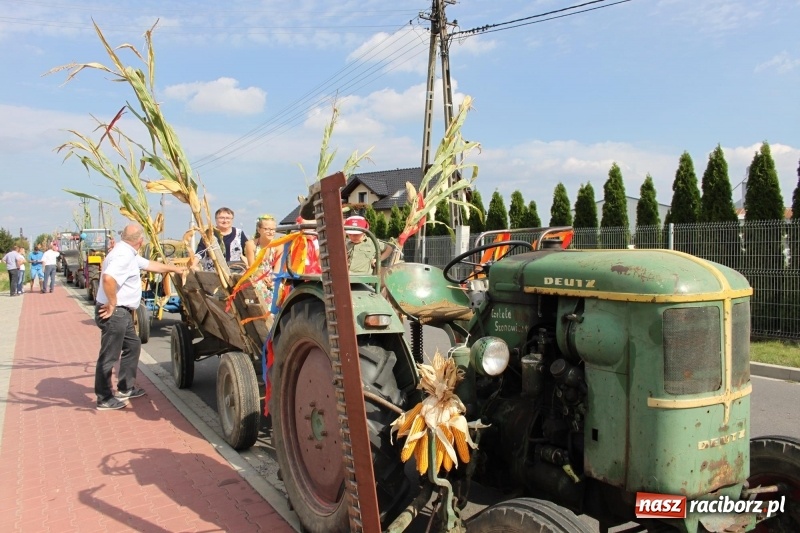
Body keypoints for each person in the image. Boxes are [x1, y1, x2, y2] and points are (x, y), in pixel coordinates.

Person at [94, 223, 188, 411]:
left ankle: (126, 387)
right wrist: (112, 303)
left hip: (122, 313)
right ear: (140, 241)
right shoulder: (123, 256)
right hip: (115, 312)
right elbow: (108, 279)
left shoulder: (128, 252)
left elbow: (149, 265)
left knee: (133, 345)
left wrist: (174, 269)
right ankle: (104, 397)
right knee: (109, 355)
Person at [191, 207, 249, 272]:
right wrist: (193, 265)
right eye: (221, 218)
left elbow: (248, 251)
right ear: (216, 219)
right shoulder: (209, 234)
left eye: (228, 218)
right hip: (214, 272)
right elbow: (200, 251)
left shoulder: (239, 233)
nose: (225, 221)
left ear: (232, 219)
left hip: (235, 271)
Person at [244, 214, 281, 307]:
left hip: (272, 276)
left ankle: (276, 314)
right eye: (267, 229)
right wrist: (263, 278)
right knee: (259, 286)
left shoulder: (279, 245)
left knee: (279, 288)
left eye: (273, 229)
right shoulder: (251, 244)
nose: (271, 232)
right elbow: (252, 267)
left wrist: (272, 279)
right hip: (257, 275)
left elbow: (277, 268)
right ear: (259, 229)